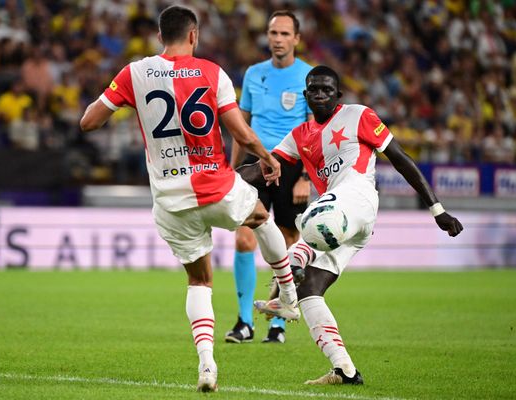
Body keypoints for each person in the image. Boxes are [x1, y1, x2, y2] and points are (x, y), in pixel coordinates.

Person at [79, 5, 300, 392]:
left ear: (160, 36)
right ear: (193, 35)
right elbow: (243, 135)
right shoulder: (212, 72)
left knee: (200, 280)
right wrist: (267, 160)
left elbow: (89, 122)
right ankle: (289, 294)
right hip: (214, 185)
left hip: (169, 200)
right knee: (262, 217)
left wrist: (117, 100)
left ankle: (207, 365)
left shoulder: (134, 73)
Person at [251, 65, 463, 385]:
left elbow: (401, 158)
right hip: (344, 225)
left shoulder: (359, 115)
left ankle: (284, 291)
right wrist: (222, 181)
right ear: (306, 96)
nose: (320, 94)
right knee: (311, 290)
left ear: (338, 95)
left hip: (357, 198)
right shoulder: (299, 135)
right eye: (314, 90)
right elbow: (264, 166)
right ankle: (345, 371)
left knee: (309, 222)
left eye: (326, 89)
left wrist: (437, 209)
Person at [225, 10, 313, 345]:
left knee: (289, 242)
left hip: (292, 165)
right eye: (273, 33)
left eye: (284, 34)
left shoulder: (307, 76)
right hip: (254, 163)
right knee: (244, 238)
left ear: (296, 39)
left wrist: (305, 175)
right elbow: (241, 126)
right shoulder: (253, 74)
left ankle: (279, 321)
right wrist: (232, 172)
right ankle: (245, 322)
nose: (278, 39)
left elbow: (312, 131)